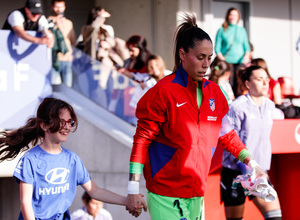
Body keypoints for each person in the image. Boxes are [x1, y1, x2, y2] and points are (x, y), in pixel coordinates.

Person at [125, 13, 268, 220]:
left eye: (209, 58)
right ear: (182, 54)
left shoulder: (215, 92)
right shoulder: (162, 91)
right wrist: (132, 188)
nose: (206, 64)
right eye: (200, 57)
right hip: (165, 193)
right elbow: (141, 141)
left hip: (197, 192)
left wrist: (253, 164)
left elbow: (227, 135)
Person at [0, 97, 143, 219]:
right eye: (61, 122)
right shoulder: (30, 160)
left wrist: (127, 200)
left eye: (70, 122)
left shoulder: (72, 159)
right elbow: (25, 203)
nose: (67, 127)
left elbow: (95, 191)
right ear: (44, 126)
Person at [221, 65, 282, 220]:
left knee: (275, 216)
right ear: (247, 84)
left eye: (267, 79)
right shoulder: (237, 107)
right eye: (259, 79)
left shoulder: (270, 105)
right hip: (235, 173)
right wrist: (246, 170)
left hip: (259, 173)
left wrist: (257, 173)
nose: (265, 83)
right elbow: (229, 141)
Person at [215, 7, 251, 97]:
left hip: (239, 62)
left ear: (238, 17)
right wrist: (223, 61)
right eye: (231, 15)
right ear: (228, 16)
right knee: (228, 84)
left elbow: (247, 47)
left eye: (235, 15)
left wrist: (245, 58)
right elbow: (217, 48)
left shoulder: (241, 30)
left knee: (239, 84)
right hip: (227, 62)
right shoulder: (222, 30)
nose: (233, 17)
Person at [48, 0, 76, 87]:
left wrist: (72, 54)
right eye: (56, 6)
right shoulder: (48, 21)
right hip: (54, 58)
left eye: (61, 7)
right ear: (52, 7)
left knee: (67, 86)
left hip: (67, 58)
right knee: (52, 85)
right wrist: (55, 25)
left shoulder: (68, 23)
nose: (58, 9)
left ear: (64, 7)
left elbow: (72, 40)